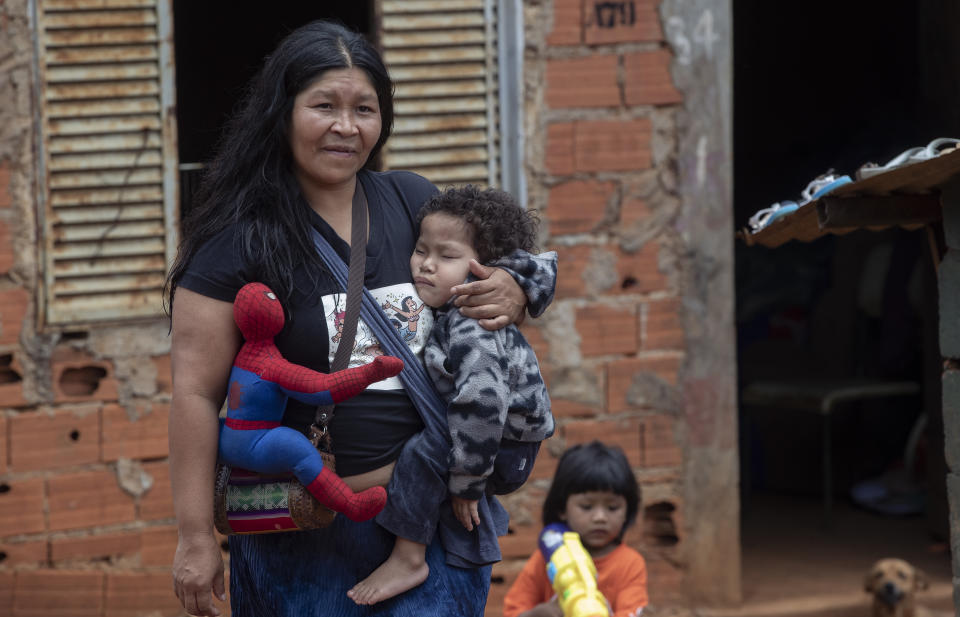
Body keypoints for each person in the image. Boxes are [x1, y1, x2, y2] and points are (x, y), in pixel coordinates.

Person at [166, 20, 554, 617]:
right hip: (302, 536)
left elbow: (500, 262)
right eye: (324, 105)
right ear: (283, 112)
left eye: (365, 109)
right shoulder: (238, 239)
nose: (347, 127)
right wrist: (195, 537)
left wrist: (514, 288)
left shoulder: (410, 201)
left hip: (425, 524)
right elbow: (195, 392)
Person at [348, 186, 557, 604]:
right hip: (499, 440)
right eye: (421, 250)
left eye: (446, 257)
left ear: (486, 269)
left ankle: (410, 557)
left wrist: (467, 483)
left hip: (502, 445)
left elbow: (482, 406)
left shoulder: (471, 325)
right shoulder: (452, 310)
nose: (426, 265)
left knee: (421, 456)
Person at [503, 441, 649, 617]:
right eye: (587, 507)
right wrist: (539, 614)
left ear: (628, 510)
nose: (600, 517)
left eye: (612, 508)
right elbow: (512, 611)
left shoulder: (630, 564)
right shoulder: (548, 557)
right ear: (562, 509)